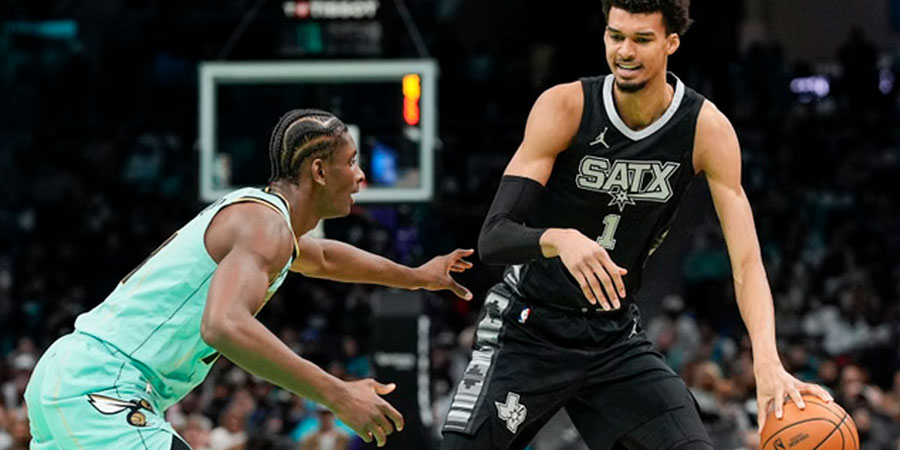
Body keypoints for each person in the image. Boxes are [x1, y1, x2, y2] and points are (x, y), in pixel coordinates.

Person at [439, 1, 832, 449]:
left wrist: (767, 362)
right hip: (528, 326)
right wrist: (558, 239)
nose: (625, 51)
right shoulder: (566, 106)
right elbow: (494, 238)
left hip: (612, 338)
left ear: (671, 43)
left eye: (642, 39)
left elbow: (746, 263)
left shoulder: (705, 128)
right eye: (615, 36)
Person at [24, 108, 475, 449]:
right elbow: (224, 325)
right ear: (319, 171)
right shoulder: (265, 226)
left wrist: (417, 276)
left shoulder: (268, 224)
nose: (360, 176)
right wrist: (337, 394)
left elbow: (325, 258)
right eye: (352, 161)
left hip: (76, 378)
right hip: (105, 384)